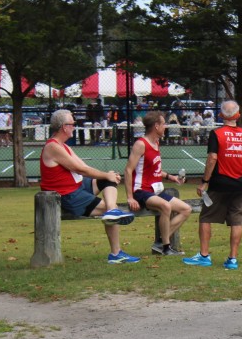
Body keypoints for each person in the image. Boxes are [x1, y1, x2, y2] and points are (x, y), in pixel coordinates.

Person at [40, 109, 138, 264]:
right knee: (108, 189)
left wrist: (108, 175)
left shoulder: (64, 146)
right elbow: (80, 169)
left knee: (109, 178)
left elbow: (84, 166)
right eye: (72, 124)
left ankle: (112, 210)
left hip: (77, 186)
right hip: (67, 195)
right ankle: (116, 253)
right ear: (64, 127)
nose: (74, 126)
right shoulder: (53, 147)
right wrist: (106, 175)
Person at [184, 101, 242, 270]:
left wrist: (204, 182)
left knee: (206, 217)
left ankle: (204, 256)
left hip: (219, 183)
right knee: (237, 220)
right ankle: (232, 259)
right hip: (239, 184)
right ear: (238, 115)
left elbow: (212, 158)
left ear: (221, 115)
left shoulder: (216, 134)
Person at [124, 110, 192, 256]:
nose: (165, 127)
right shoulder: (140, 144)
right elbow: (128, 170)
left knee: (186, 209)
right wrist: (130, 197)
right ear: (156, 126)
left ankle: (160, 242)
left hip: (155, 191)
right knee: (166, 206)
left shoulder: (156, 143)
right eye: (163, 124)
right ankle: (166, 248)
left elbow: (154, 169)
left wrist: (171, 177)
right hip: (141, 191)